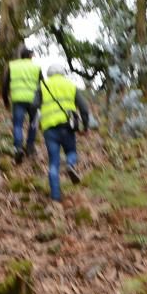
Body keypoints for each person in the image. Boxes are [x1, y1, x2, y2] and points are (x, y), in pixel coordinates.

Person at [39, 63, 91, 202]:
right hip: (68, 127)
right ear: (62, 73)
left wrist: (37, 121)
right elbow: (84, 108)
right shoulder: (71, 85)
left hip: (49, 129)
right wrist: (85, 126)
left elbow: (33, 105)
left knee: (53, 163)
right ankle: (70, 164)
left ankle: (55, 197)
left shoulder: (43, 86)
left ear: (49, 74)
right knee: (71, 151)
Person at [2, 45, 41, 164]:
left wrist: (6, 100)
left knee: (18, 124)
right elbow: (42, 85)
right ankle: (29, 147)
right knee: (34, 123)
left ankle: (18, 148)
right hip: (34, 101)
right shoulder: (36, 67)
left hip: (18, 99)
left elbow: (5, 84)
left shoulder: (13, 66)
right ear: (29, 56)